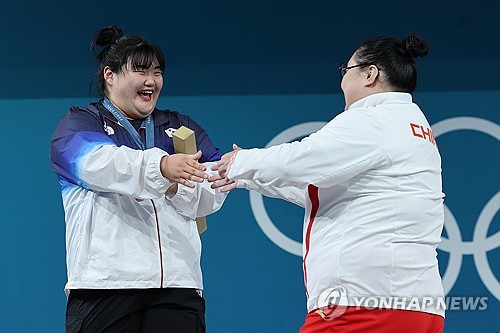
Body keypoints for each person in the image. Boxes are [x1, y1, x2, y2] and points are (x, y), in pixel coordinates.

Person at [210, 34, 445, 333]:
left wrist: (242, 161)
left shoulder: (372, 119)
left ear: (369, 73)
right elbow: (324, 188)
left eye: (345, 71)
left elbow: (302, 159)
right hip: (419, 307)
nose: (342, 82)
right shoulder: (413, 123)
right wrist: (245, 175)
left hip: (364, 304)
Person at [50, 25, 227, 333]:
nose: (151, 81)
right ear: (110, 75)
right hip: (105, 285)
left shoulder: (180, 125)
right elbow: (100, 165)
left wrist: (174, 185)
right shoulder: (80, 123)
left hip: (178, 285)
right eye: (140, 71)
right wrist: (162, 168)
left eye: (157, 72)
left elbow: (211, 189)